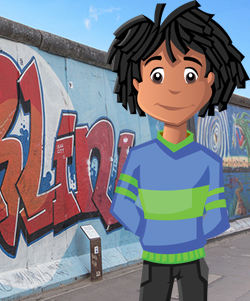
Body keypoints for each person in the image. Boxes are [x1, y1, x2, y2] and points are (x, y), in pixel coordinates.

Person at [108, 1, 247, 300]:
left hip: (193, 260)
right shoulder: (141, 158)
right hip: (156, 261)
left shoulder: (207, 162)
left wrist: (184, 235)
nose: (172, 89)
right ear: (138, 85)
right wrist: (151, 231)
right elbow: (122, 205)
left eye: (189, 76)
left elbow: (217, 215)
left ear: (208, 84)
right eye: (157, 75)